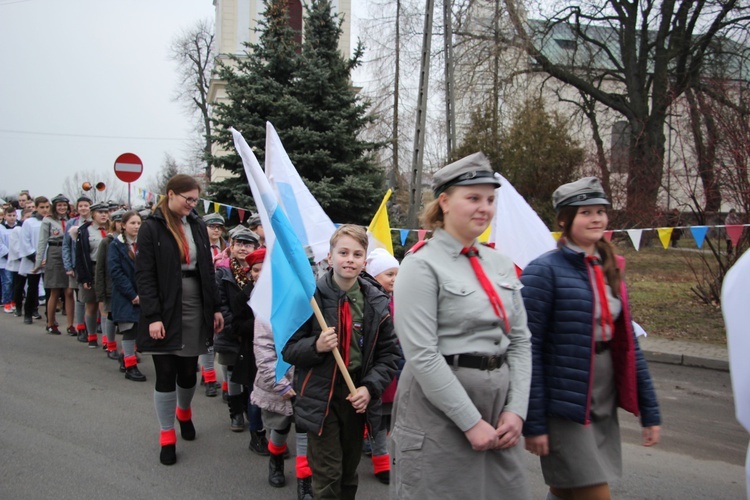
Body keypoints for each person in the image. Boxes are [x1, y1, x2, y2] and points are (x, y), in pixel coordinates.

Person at [390, 152, 532, 499]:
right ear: (445, 202)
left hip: (498, 413)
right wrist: (470, 421)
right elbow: (422, 355)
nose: (484, 207)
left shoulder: (500, 263)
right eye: (473, 198)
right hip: (438, 413)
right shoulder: (421, 264)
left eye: (490, 199)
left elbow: (521, 341)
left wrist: (517, 410)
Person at [521, 177, 662, 500]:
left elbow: (628, 346)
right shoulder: (543, 271)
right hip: (564, 401)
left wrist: (650, 411)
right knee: (591, 490)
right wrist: (534, 421)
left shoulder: (610, 267)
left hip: (601, 396)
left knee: (566, 490)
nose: (596, 218)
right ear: (564, 219)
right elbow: (529, 350)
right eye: (585, 212)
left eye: (601, 211)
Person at [282, 224, 400, 500]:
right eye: (343, 252)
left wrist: (370, 388)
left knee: (349, 474)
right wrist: (316, 345)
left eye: (357, 254)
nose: (350, 259)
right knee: (327, 475)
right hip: (321, 396)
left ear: (365, 261)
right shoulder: (309, 297)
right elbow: (288, 349)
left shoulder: (376, 301)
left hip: (356, 393)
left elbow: (389, 354)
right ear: (330, 256)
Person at [135, 174, 223, 466]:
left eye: (196, 200)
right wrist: (153, 316)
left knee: (188, 372)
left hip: (196, 303)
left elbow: (208, 269)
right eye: (188, 199)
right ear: (170, 194)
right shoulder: (151, 227)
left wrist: (216, 308)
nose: (192, 205)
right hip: (165, 306)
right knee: (165, 373)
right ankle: (166, 434)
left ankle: (184, 411)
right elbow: (144, 275)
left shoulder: (197, 224)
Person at [249, 247, 313, 500]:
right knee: (280, 428)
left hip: (307, 383)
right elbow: (263, 350)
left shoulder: (312, 307)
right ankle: (275, 459)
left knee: (305, 431)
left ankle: (303, 478)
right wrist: (280, 383)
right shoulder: (268, 311)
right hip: (278, 384)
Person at [214, 227, 260, 432]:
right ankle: (235, 413)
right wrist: (233, 326)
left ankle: (250, 410)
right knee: (232, 372)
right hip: (230, 332)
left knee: (250, 374)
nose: (243, 248)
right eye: (239, 244)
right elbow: (221, 303)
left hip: (251, 333)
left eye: (248, 244)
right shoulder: (222, 272)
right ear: (231, 246)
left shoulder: (258, 270)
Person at [363, 247, 401, 485]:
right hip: (374, 366)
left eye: (397, 274)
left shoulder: (396, 299)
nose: (394, 280)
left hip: (394, 366)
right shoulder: (370, 299)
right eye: (389, 275)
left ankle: (381, 453)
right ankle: (381, 460)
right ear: (375, 275)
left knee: (386, 416)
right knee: (375, 414)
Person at [108, 210, 146, 382]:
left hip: (142, 293)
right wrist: (132, 294)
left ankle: (126, 358)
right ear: (123, 225)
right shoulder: (116, 245)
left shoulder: (143, 244)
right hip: (125, 295)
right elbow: (116, 272)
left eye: (139, 223)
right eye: (132, 223)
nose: (136, 226)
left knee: (137, 328)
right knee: (129, 329)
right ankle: (130, 366)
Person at [35, 194, 73, 334]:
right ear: (54, 207)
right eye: (59, 205)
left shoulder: (71, 220)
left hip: (68, 252)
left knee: (69, 291)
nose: (62, 208)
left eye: (64, 205)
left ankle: (70, 325)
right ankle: (50, 322)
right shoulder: (48, 220)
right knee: (55, 290)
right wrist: (38, 261)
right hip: (55, 252)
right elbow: (42, 242)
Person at [199, 212, 227, 398]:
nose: (216, 230)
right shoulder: (200, 246)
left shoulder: (227, 247)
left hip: (224, 297)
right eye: (212, 227)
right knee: (208, 339)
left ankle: (227, 384)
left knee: (223, 342)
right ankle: (209, 377)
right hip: (205, 296)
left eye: (219, 227)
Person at [75, 202, 110, 348]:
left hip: (107, 270)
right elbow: (80, 256)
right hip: (92, 268)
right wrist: (84, 277)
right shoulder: (84, 231)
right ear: (93, 214)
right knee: (91, 305)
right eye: (100, 212)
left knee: (105, 306)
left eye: (106, 212)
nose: (103, 215)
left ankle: (107, 340)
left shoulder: (112, 229)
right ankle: (91, 335)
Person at [95, 209, 125, 359]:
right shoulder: (107, 241)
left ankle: (127, 349)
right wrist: (100, 291)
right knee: (110, 316)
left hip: (125, 285)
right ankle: (110, 345)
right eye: (118, 222)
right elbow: (100, 267)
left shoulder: (129, 240)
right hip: (110, 285)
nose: (120, 225)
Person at [64, 196, 93, 340]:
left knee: (90, 299)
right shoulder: (72, 223)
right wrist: (68, 265)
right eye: (80, 206)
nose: (83, 208)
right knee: (80, 298)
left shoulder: (94, 223)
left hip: (90, 264)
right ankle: (81, 326)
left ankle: (90, 326)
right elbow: (66, 246)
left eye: (86, 205)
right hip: (77, 265)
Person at [18, 197, 50, 325]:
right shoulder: (29, 223)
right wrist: (36, 259)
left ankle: (49, 315)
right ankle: (29, 312)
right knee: (32, 287)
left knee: (49, 289)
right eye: (42, 207)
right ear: (36, 207)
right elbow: (25, 242)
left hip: (48, 260)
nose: (44, 210)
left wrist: (48, 258)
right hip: (33, 260)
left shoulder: (51, 221)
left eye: (47, 207)